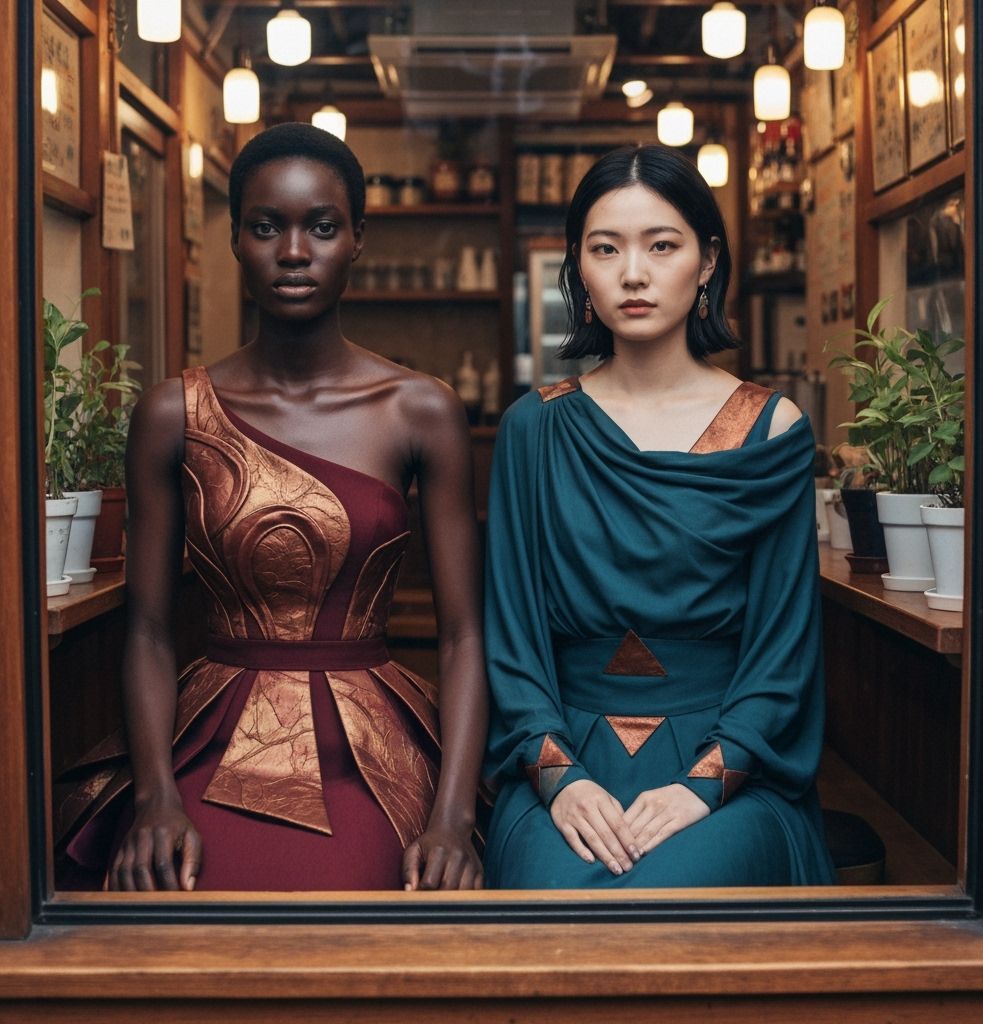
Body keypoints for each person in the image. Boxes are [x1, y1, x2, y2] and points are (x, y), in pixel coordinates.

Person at [56, 123, 487, 892]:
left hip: (370, 744)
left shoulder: (420, 409)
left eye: (321, 227)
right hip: (210, 736)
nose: (294, 252)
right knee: (174, 898)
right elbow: (149, 629)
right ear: (236, 239)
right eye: (267, 227)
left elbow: (461, 636)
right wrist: (155, 798)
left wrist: (452, 817)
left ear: (358, 237)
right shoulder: (173, 413)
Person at [483, 144, 834, 888]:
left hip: (730, 764)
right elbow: (511, 647)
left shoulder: (770, 429)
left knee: (670, 896)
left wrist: (703, 785)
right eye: (605, 249)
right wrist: (560, 779)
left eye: (662, 245)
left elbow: (783, 656)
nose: (633, 273)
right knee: (559, 901)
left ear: (707, 261)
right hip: (565, 764)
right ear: (577, 268)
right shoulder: (533, 430)